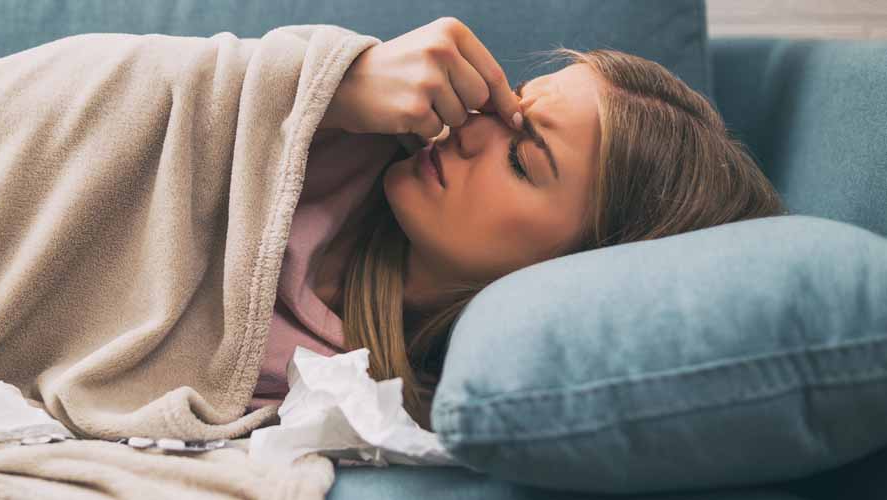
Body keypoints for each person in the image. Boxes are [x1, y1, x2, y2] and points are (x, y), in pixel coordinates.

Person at [251, 17, 787, 430]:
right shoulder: (332, 137)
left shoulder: (402, 396)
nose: (470, 129)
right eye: (510, 107)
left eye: (520, 162)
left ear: (578, 267)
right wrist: (326, 89)